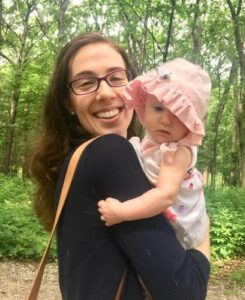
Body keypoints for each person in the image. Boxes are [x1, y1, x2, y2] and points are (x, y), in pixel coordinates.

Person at [28, 32, 210, 299]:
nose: (105, 92)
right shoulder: (110, 152)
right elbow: (186, 291)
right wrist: (203, 236)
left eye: (116, 78)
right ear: (68, 101)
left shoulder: (76, 163)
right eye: (86, 82)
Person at [98, 58, 211, 250]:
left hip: (179, 230)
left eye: (178, 114)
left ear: (191, 122)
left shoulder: (177, 152)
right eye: (158, 108)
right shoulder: (154, 141)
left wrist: (121, 212)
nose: (166, 120)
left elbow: (165, 196)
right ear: (143, 106)